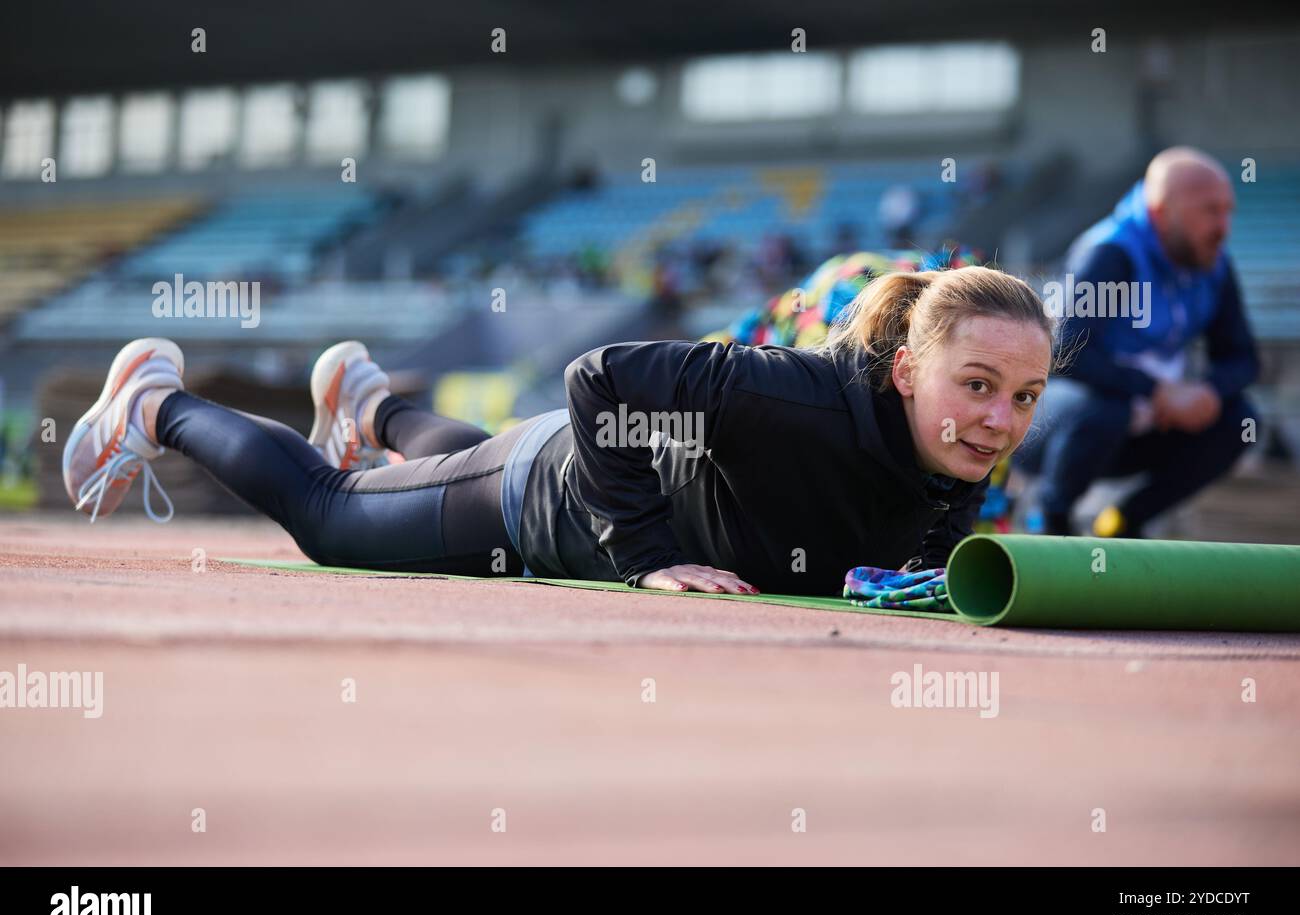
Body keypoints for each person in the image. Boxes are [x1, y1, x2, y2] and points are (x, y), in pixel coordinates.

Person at [62, 267, 1055, 597]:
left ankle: (368, 401)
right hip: (551, 500)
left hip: (568, 470)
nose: (998, 420)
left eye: (1023, 396)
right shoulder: (786, 390)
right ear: (905, 370)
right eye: (977, 384)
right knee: (329, 518)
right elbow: (600, 375)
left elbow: (921, 530)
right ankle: (156, 401)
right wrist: (650, 556)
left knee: (456, 456)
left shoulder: (949, 446)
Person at [1020, 147, 1260, 537]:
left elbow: (1243, 357)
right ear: (1162, 213)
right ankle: (1051, 523)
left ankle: (1123, 523)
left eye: (1227, 211)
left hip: (1140, 425)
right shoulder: (1112, 254)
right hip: (1057, 425)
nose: (1224, 226)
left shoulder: (1211, 260)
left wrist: (1209, 392)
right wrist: (1156, 392)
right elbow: (1063, 351)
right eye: (1210, 211)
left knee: (1240, 419)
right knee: (1107, 409)